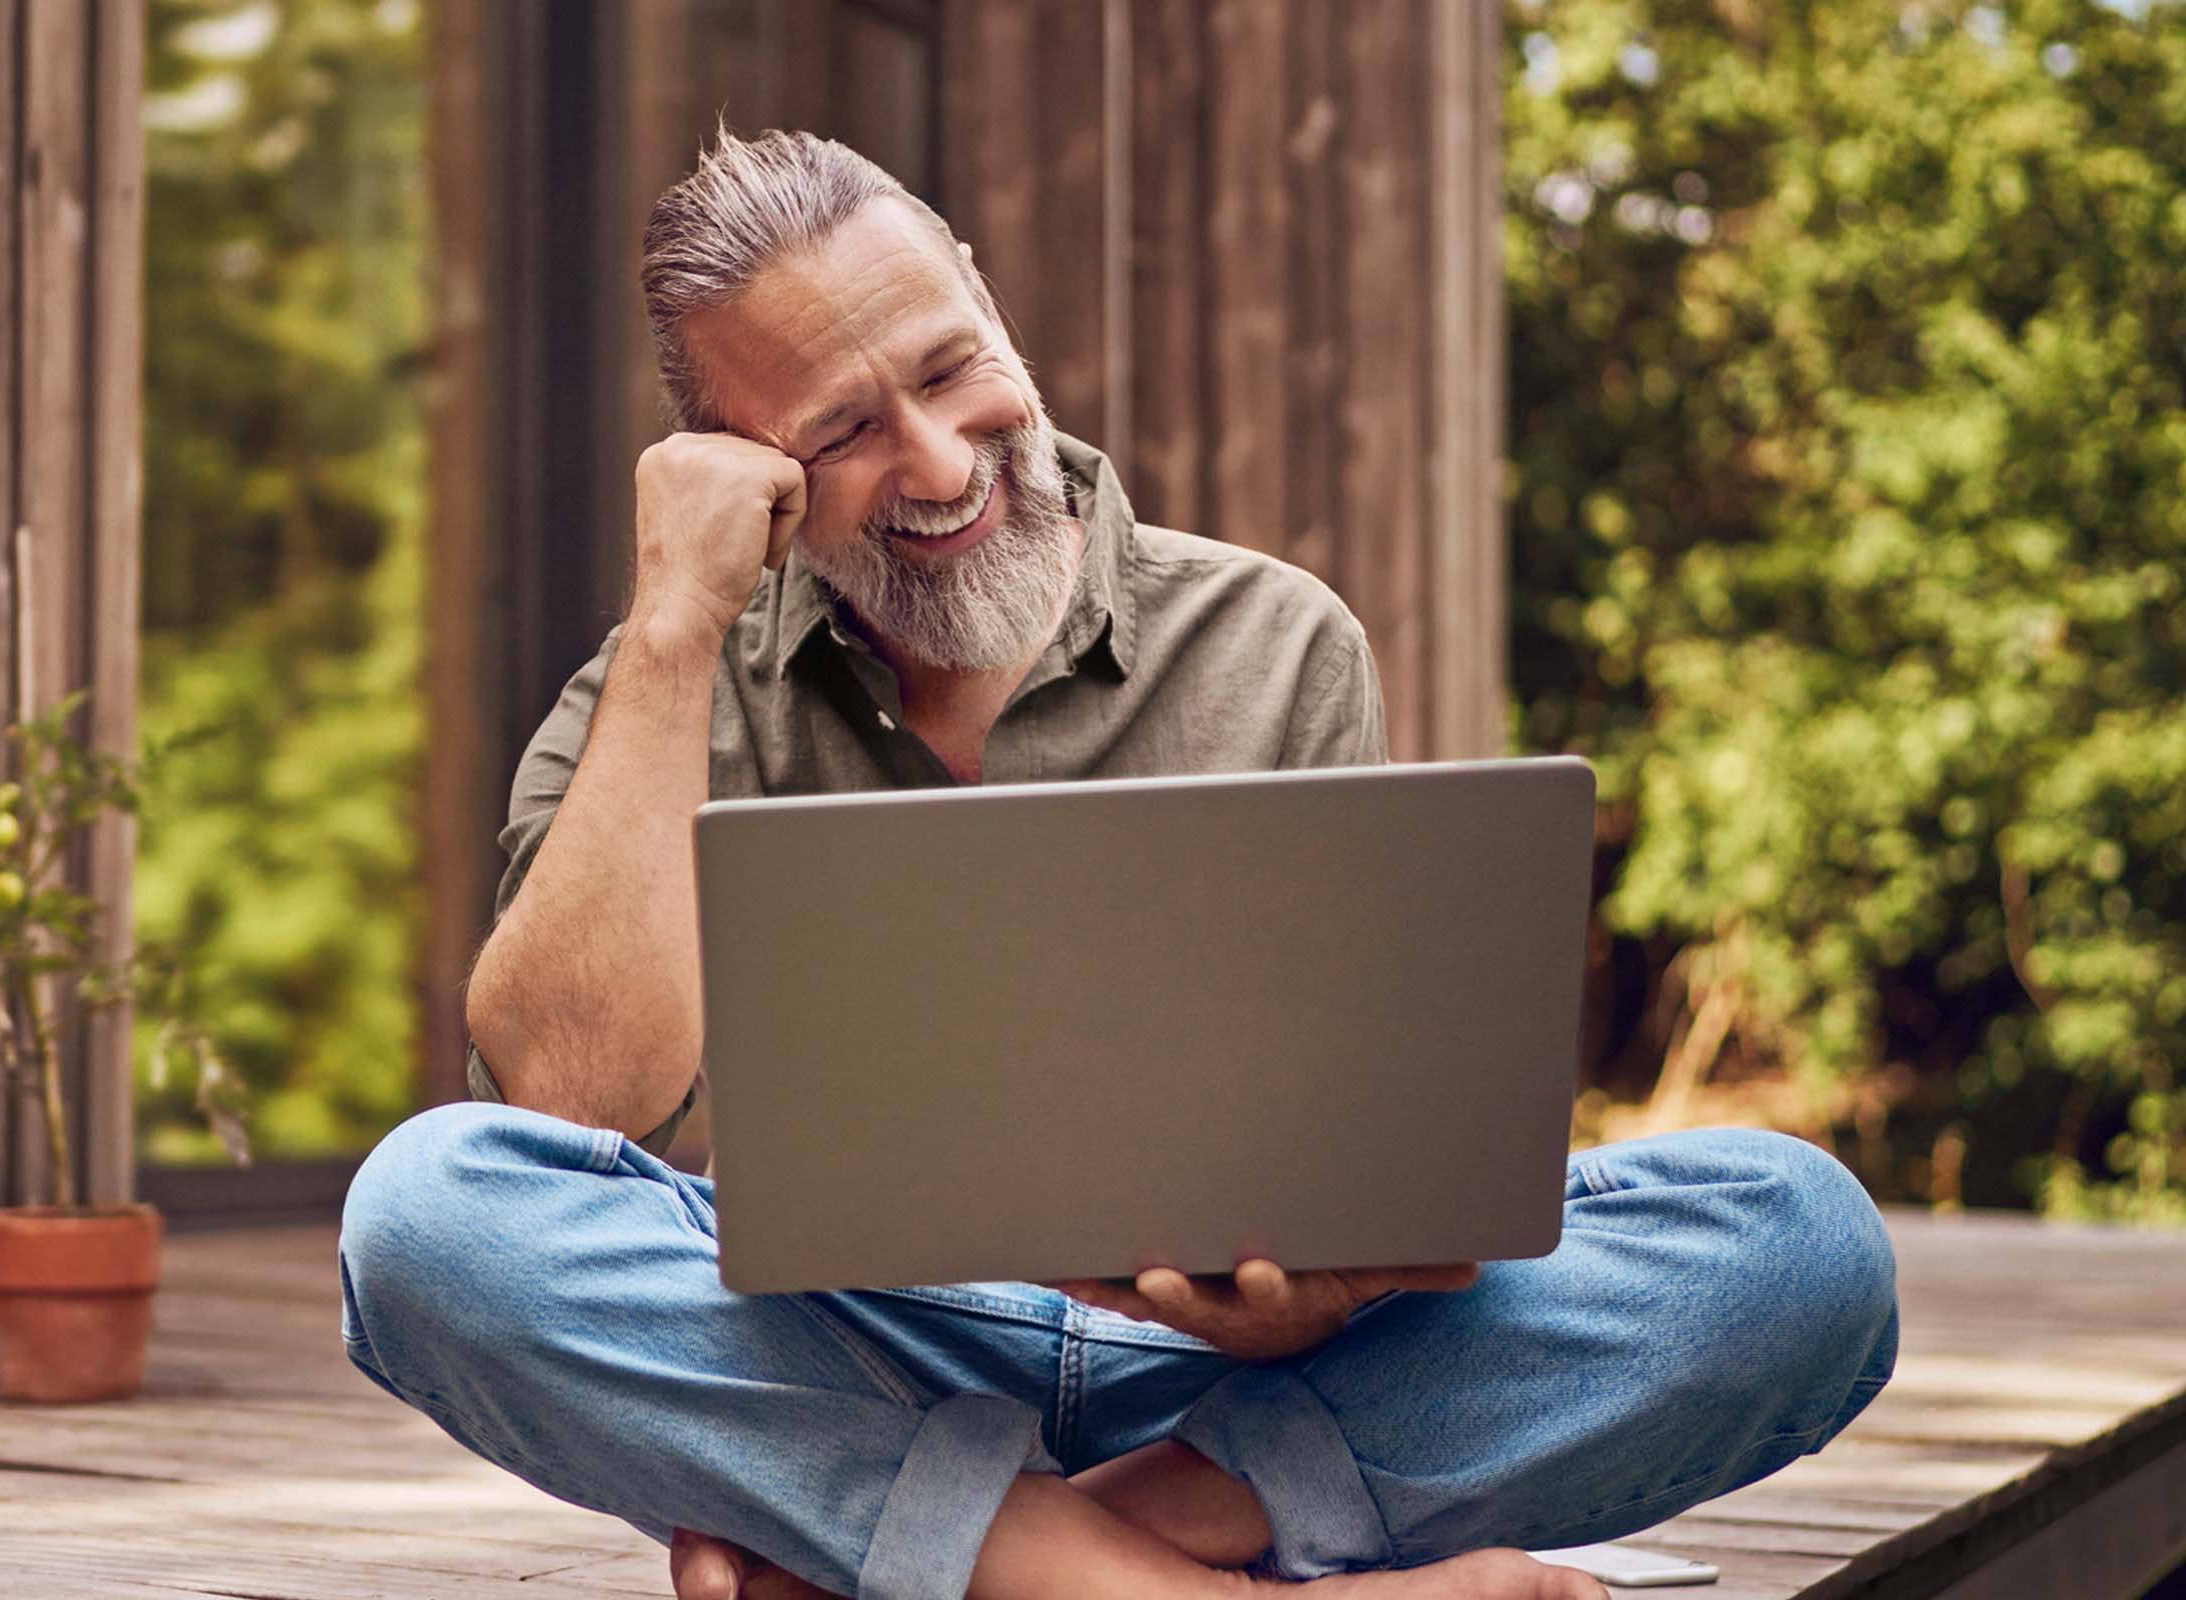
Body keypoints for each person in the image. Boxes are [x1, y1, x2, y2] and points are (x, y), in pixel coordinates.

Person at [338, 127, 1899, 1600]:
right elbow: (561, 1112)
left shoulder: (1276, 638)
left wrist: (1324, 1294)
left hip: (1222, 1387)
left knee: (1795, 1249)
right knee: (426, 1217)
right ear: (737, 465)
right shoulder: (662, 692)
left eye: (952, 369)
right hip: (839, 1352)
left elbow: (1350, 1139)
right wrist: (676, 622)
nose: (942, 462)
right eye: (845, 433)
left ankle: (995, 1556)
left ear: (984, 291)